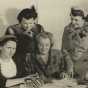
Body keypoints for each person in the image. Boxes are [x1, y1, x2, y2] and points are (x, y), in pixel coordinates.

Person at [5, 6, 44, 77]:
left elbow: (43, 43)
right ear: (19, 22)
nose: (28, 26)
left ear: (34, 21)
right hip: (18, 59)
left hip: (35, 59)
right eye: (25, 23)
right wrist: (23, 37)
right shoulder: (12, 29)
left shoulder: (39, 28)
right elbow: (10, 48)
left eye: (31, 23)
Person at [62, 7, 88, 81]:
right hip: (69, 65)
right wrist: (69, 65)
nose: (73, 22)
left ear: (83, 19)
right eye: (71, 19)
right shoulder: (67, 29)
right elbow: (64, 49)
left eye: (76, 20)